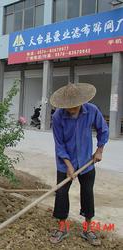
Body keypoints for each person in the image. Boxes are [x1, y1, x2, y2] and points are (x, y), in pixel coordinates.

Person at [49, 83, 109, 246]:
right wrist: (68, 165)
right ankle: (63, 228)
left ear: (81, 102)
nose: (72, 110)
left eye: (74, 106)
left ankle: (87, 229)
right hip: (64, 162)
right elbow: (59, 144)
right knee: (61, 194)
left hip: (86, 161)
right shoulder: (58, 117)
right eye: (68, 107)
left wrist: (99, 150)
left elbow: (103, 130)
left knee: (87, 193)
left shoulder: (92, 111)